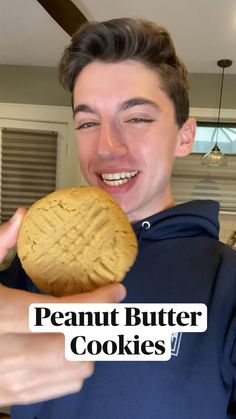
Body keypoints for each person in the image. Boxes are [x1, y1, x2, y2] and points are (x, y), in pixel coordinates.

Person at [0, 17, 235, 419]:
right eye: (88, 122)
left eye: (137, 118)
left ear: (185, 136)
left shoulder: (227, 282)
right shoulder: (30, 267)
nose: (107, 147)